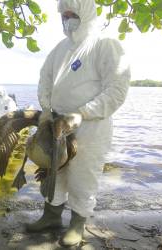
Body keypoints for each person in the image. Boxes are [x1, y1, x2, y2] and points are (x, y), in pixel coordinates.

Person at [28, 0, 131, 246]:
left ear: (85, 13)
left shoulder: (105, 45)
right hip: (58, 124)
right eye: (64, 14)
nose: (67, 18)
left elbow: (117, 89)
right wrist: (46, 109)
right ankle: (51, 217)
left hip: (91, 127)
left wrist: (83, 113)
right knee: (55, 171)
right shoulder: (60, 49)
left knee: (83, 176)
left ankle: (77, 223)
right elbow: (45, 78)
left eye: (73, 13)